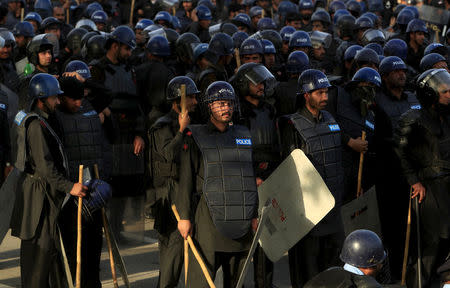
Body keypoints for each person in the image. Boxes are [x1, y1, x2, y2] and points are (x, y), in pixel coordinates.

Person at [175, 81, 258, 287]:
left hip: (241, 219)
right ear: (209, 106)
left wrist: (254, 214)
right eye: (220, 103)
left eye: (229, 103)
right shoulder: (195, 136)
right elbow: (185, 179)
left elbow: (248, 177)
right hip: (208, 220)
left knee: (237, 282)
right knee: (200, 282)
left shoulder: (243, 134)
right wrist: (184, 218)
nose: (226, 108)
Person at [9, 73, 87, 287]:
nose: (58, 101)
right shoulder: (35, 125)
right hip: (38, 200)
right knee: (38, 262)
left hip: (42, 193)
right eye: (54, 98)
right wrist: (71, 187)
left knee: (50, 260)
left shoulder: (41, 120)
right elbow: (45, 168)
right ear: (41, 98)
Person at [279, 69, 344, 287]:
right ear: (306, 95)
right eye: (319, 93)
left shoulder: (331, 119)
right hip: (308, 211)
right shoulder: (292, 125)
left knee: (333, 266)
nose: (325, 97)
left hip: (333, 205)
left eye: (326, 92)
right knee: (307, 271)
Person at [395, 68, 450, 288]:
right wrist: (413, 181)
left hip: (447, 187)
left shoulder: (447, 118)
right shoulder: (412, 121)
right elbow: (400, 153)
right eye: (445, 91)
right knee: (431, 244)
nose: (449, 95)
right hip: (429, 191)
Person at [56, 75, 111, 288]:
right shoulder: (55, 113)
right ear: (62, 98)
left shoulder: (88, 104)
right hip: (71, 188)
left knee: (94, 242)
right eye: (73, 99)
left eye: (80, 98)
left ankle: (93, 283)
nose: (78, 103)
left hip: (93, 181)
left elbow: (107, 95)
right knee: (73, 245)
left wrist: (85, 82)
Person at [231, 62, 278, 288]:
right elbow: (236, 149)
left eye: (262, 81)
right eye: (255, 82)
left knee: (267, 238)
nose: (261, 86)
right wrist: (251, 176)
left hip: (269, 177)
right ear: (243, 85)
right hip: (246, 181)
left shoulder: (269, 110)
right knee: (243, 242)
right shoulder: (237, 112)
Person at [148, 76, 199, 287]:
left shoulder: (193, 123)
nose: (195, 102)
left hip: (185, 191)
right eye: (191, 98)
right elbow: (168, 153)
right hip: (168, 196)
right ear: (177, 101)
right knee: (172, 252)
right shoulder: (162, 126)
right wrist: (180, 130)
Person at [304, 229, 386, 288]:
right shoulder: (369, 285)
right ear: (369, 266)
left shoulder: (328, 272)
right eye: (379, 263)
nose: (381, 265)